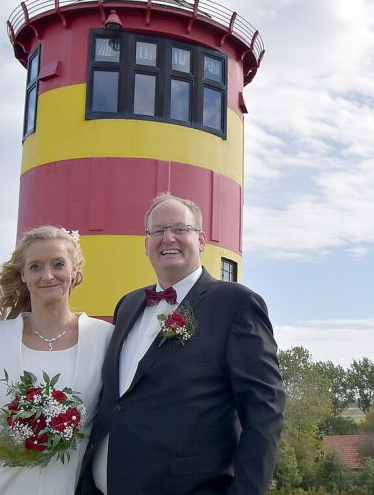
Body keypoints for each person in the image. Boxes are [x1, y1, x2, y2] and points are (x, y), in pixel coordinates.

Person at [78, 193, 285, 494]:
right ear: (146, 243)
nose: (168, 238)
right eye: (158, 231)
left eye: (180, 229)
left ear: (200, 240)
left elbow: (265, 410)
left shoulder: (236, 304)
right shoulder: (128, 304)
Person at [0, 226, 113, 495]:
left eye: (58, 264)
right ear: (24, 274)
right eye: (36, 266)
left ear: (74, 271)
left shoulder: (104, 337)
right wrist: (11, 449)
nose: (47, 275)